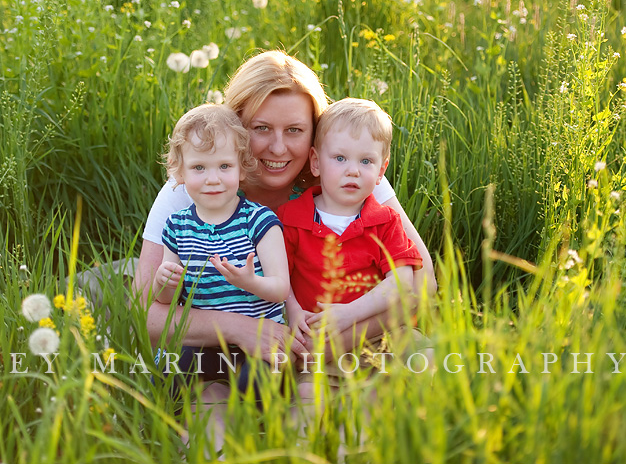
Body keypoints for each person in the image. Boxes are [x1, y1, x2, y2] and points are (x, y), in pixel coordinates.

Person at [132, 50, 437, 361]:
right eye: (261, 128)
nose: (278, 148)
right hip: (233, 353)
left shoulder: (345, 173)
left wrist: (329, 346)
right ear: (235, 127)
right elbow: (146, 313)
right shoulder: (196, 187)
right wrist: (240, 328)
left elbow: (423, 283)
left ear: (315, 136)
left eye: (295, 130)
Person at [150, 104, 290, 453]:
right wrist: (164, 283)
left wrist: (250, 282)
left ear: (243, 169)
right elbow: (165, 302)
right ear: (179, 173)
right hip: (205, 346)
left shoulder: (259, 221)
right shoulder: (178, 226)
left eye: (224, 166)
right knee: (183, 375)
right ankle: (209, 442)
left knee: (253, 383)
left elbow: (280, 288)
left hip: (257, 348)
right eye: (199, 167)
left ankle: (251, 428)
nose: (213, 178)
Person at [279, 98, 424, 398]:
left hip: (384, 337)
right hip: (320, 345)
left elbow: (402, 282)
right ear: (316, 162)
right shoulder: (290, 218)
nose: (353, 171)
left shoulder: (384, 220)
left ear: (382, 168)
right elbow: (279, 276)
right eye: (340, 159)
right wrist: (292, 311)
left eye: (366, 161)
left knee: (426, 360)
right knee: (307, 402)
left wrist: (348, 314)